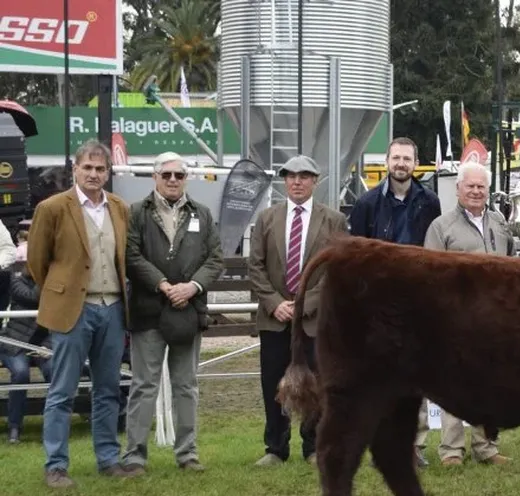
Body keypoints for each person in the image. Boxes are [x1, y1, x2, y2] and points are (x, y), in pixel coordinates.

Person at [28, 139, 133, 488]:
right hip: (74, 310)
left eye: (100, 168)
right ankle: (55, 465)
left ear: (108, 172)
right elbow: (36, 262)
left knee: (108, 389)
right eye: (87, 167)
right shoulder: (53, 207)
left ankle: (108, 459)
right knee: (62, 391)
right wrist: (63, 291)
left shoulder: (119, 208)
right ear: (75, 169)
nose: (93, 174)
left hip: (113, 309)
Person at [122, 152, 224, 474]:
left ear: (186, 178)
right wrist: (164, 285)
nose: (172, 180)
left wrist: (191, 287)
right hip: (149, 311)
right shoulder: (137, 212)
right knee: (143, 385)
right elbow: (131, 255)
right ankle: (135, 455)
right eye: (166, 174)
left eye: (179, 175)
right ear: (154, 177)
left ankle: (187, 454)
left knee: (186, 385)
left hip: (187, 313)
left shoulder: (203, 214)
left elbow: (216, 259)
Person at [248, 155, 348, 467]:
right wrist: (274, 302)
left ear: (315, 181)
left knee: (317, 383)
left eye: (304, 176)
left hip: (315, 320)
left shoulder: (333, 220)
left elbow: (337, 268)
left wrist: (306, 302)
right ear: (284, 181)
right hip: (274, 318)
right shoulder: (266, 218)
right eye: (291, 176)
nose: (297, 181)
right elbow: (255, 266)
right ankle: (275, 448)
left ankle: (314, 447)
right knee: (272, 383)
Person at [350, 137, 441, 467]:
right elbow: (356, 257)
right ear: (386, 161)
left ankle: (413, 446)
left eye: (407, 158)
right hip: (378, 304)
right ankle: (381, 446)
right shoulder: (367, 204)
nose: (401, 163)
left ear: (416, 164)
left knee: (416, 377)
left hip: (417, 302)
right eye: (396, 158)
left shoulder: (430, 202)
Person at [423, 161, 514, 466]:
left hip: (495, 319)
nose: (476, 191)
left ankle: (485, 447)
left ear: (488, 190)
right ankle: (451, 451)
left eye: (481, 187)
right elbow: (431, 274)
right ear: (458, 188)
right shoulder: (441, 227)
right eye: (470, 186)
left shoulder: (500, 222)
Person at [0, 268, 53, 444]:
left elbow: (58, 320)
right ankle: (14, 428)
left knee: (54, 371)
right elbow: (32, 297)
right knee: (21, 373)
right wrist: (45, 278)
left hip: (42, 345)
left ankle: (52, 426)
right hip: (14, 343)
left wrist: (47, 346)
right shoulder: (17, 280)